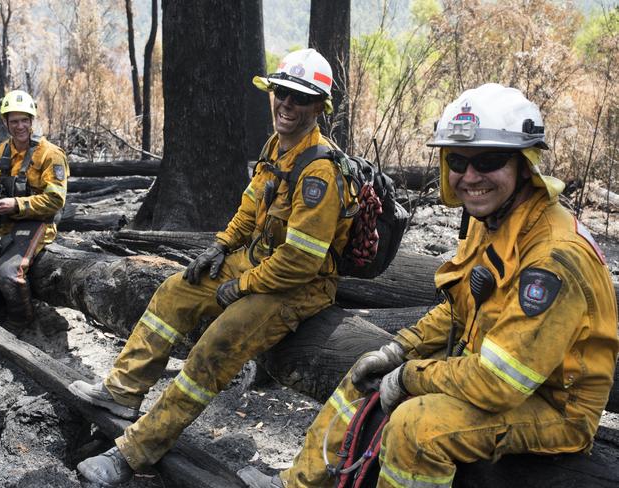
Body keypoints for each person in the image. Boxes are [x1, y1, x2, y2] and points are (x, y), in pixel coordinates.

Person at [238, 83, 619, 488]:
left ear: (525, 165)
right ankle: (297, 483)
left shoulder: (552, 258)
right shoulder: (495, 220)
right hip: (494, 373)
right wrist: (396, 351)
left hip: (555, 407)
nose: (470, 177)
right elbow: (458, 307)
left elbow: (500, 382)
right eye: (458, 161)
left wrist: (408, 377)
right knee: (363, 372)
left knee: (416, 426)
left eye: (488, 161)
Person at [70, 48, 355, 486]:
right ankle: (121, 393)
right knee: (173, 291)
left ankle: (134, 452)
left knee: (213, 348)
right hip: (259, 263)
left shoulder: (319, 171)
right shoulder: (277, 147)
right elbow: (249, 209)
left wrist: (242, 286)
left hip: (298, 287)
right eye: (281, 93)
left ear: (319, 106)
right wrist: (220, 246)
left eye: (299, 98)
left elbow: (300, 262)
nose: (286, 104)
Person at [0, 89, 68, 330]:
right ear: (5, 122)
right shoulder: (0, 151)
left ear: (32, 120)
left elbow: (55, 200)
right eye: (14, 121)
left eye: (24, 120)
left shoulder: (50, 154)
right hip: (4, 217)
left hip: (37, 221)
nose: (20, 126)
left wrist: (17, 204)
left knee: (7, 272)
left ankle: (20, 321)